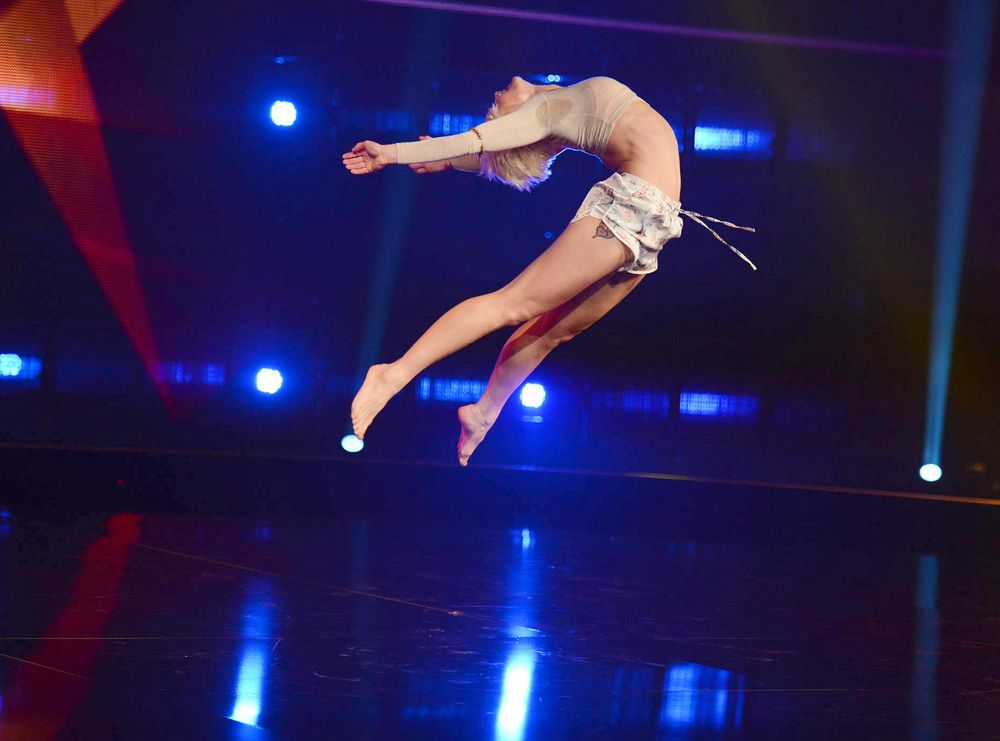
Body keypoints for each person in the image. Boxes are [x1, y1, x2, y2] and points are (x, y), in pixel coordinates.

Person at [342, 75, 755, 466]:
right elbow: (479, 139)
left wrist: (448, 161)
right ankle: (392, 375)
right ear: (516, 120)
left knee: (555, 330)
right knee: (512, 304)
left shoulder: (562, 106)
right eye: (496, 110)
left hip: (657, 222)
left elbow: (488, 146)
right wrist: (392, 153)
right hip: (632, 206)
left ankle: (484, 413)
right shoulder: (545, 110)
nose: (495, 97)